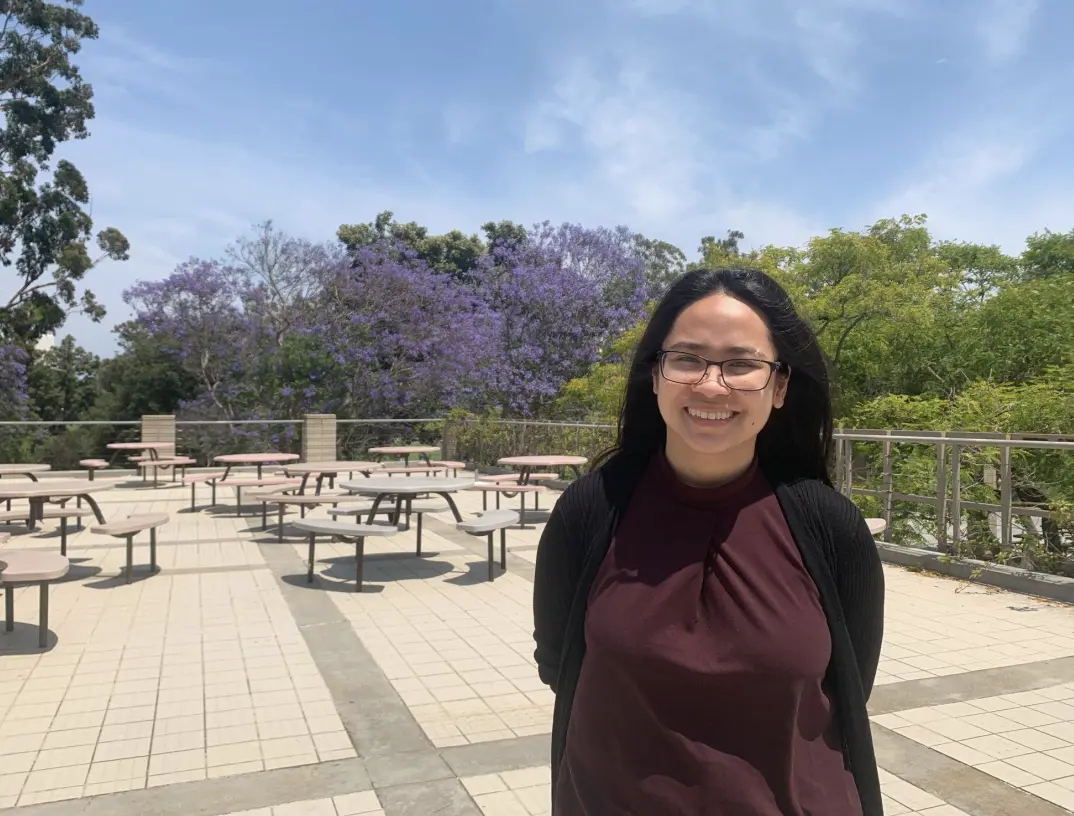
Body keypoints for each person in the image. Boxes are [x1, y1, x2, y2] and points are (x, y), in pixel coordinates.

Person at [533, 267, 885, 815]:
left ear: (781, 386)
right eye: (688, 359)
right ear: (655, 376)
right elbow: (561, 666)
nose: (711, 385)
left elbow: (848, 685)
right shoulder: (590, 510)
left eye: (742, 364)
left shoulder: (829, 526)